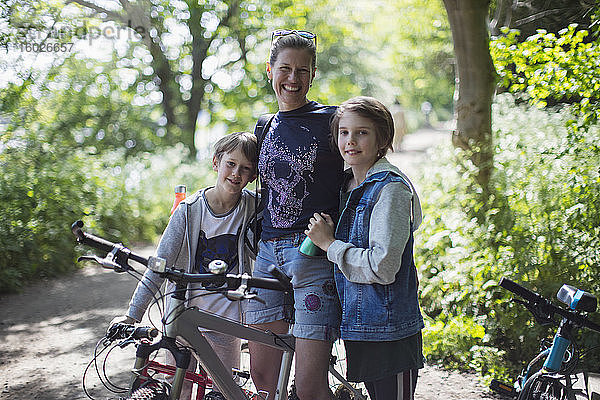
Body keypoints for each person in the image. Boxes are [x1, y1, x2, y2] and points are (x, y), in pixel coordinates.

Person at [109, 131, 259, 400]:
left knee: (223, 392)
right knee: (177, 388)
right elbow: (159, 265)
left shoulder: (253, 208)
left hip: (226, 321)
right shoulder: (189, 211)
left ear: (253, 175)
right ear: (216, 162)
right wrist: (132, 316)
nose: (237, 174)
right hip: (183, 319)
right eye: (231, 164)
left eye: (246, 168)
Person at [244, 29, 344, 400]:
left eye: (303, 71)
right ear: (270, 70)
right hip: (267, 255)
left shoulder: (332, 121)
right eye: (285, 68)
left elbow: (362, 167)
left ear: (313, 75)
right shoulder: (264, 127)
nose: (293, 78)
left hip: (312, 256)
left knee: (308, 388)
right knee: (263, 379)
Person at [305, 96, 425, 400]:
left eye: (362, 132)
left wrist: (330, 245)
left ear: (382, 138)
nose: (351, 141)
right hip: (359, 326)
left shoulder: (390, 189)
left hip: (389, 331)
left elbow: (382, 267)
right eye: (344, 132)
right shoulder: (346, 185)